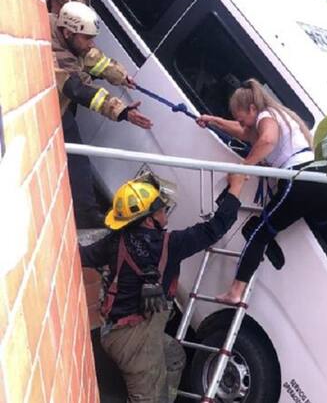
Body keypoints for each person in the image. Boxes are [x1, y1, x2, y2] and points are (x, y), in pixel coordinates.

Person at [79, 172, 241, 403]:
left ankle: (160, 395)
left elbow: (84, 255)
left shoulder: (116, 240)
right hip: (132, 341)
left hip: (119, 331)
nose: (166, 213)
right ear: (149, 220)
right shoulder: (170, 245)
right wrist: (236, 188)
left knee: (174, 357)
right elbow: (214, 228)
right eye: (162, 210)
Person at [196, 78, 327, 305]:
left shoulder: (266, 116)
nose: (242, 124)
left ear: (252, 109)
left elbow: (267, 140)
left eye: (242, 118)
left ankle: (235, 291)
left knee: (259, 233)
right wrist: (214, 121)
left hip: (299, 178)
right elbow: (243, 132)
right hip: (323, 178)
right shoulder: (280, 116)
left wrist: (244, 168)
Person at [51, 1, 153, 227]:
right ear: (68, 33)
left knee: (78, 161)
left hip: (58, 107)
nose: (91, 43)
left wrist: (121, 76)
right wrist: (122, 111)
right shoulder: (55, 52)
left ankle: (85, 212)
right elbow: (78, 89)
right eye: (87, 38)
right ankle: (84, 214)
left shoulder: (70, 38)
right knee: (76, 161)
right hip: (50, 112)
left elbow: (96, 59)